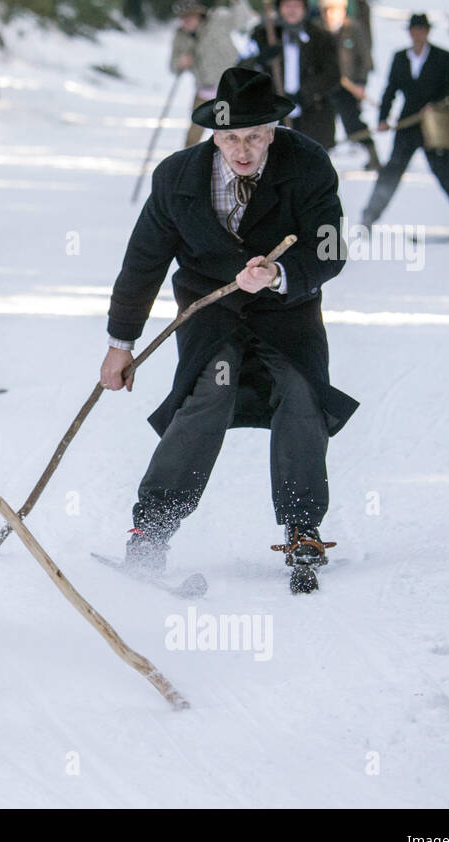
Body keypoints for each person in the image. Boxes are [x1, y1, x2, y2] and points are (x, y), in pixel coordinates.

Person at [99, 68, 357, 594]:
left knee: (301, 394)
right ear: (213, 135)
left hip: (288, 312)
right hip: (210, 309)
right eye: (232, 138)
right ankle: (151, 530)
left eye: (256, 136)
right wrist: (119, 345)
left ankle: (302, 527)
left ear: (273, 131)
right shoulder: (177, 178)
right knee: (210, 393)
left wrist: (280, 275)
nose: (243, 150)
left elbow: (330, 249)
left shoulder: (307, 164)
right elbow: (143, 261)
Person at [359, 13, 449, 238]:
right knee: (392, 171)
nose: (417, 35)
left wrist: (436, 104)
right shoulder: (400, 58)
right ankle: (368, 219)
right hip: (408, 125)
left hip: (435, 126)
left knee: (444, 172)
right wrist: (383, 118)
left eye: (421, 30)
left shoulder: (443, 58)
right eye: (414, 31)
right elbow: (390, 89)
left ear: (427, 32)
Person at [245, 0, 341, 149]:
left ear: (304, 8)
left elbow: (333, 74)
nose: (292, 10)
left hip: (313, 114)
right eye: (287, 5)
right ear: (279, 8)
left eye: (296, 5)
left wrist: (305, 94)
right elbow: (242, 67)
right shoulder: (263, 35)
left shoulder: (320, 37)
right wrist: (261, 59)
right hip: (272, 115)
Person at [170, 0, 258, 148]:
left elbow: (243, 20)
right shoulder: (180, 37)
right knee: (191, 140)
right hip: (202, 92)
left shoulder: (217, 19)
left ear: (198, 14)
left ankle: (228, 169)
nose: (186, 21)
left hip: (225, 93)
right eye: (182, 17)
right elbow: (173, 65)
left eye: (189, 16)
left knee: (224, 135)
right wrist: (181, 63)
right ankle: (189, 171)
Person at [319, 0, 381, 168]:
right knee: (323, 127)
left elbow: (364, 58)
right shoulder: (317, 30)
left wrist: (361, 83)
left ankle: (373, 155)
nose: (331, 15)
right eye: (327, 10)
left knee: (353, 123)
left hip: (348, 86)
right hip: (323, 89)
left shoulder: (353, 29)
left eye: (335, 10)